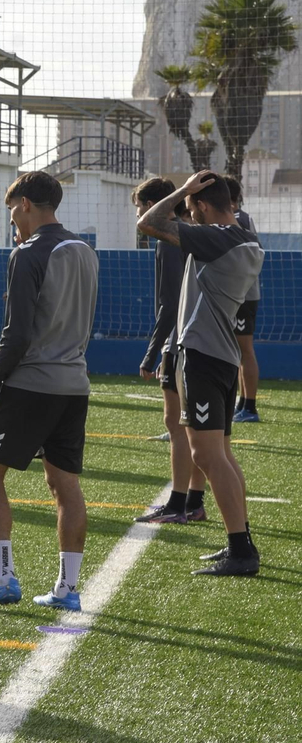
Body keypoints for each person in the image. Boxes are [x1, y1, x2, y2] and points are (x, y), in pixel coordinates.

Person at [0, 171, 98, 611]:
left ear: (25, 205)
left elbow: (16, 333)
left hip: (31, 383)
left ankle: (2, 579)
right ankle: (67, 590)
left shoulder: (29, 252)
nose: (12, 220)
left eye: (12, 210)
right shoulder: (85, 251)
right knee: (65, 485)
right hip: (75, 385)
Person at [136, 170, 264, 576]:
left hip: (204, 355)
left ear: (205, 206)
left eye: (192, 210)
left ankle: (240, 551)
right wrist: (189, 196)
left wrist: (181, 190)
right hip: (223, 355)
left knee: (205, 455)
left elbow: (148, 224)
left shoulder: (217, 239)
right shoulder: (247, 239)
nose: (189, 217)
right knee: (222, 453)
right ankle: (240, 540)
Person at [131, 177, 208, 524]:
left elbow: (170, 303)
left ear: (151, 206)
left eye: (139, 205)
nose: (138, 213)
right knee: (196, 429)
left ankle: (178, 503)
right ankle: (193, 501)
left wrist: (151, 354)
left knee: (176, 425)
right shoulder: (196, 231)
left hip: (181, 340)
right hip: (202, 337)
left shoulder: (170, 237)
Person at [225, 176, 261, 422]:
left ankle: (250, 407)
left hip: (242, 295)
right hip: (241, 293)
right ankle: (242, 403)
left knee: (244, 349)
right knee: (239, 350)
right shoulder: (242, 218)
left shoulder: (237, 219)